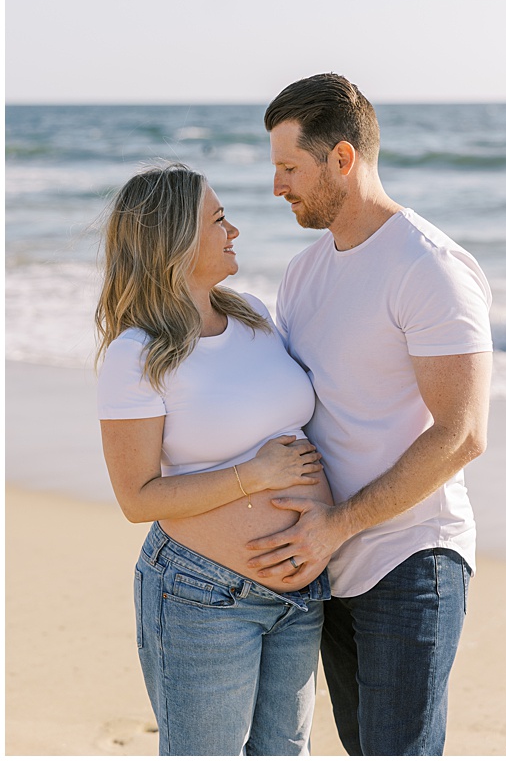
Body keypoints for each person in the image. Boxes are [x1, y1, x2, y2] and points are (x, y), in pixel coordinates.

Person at [244, 73, 493, 755]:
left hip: (411, 558)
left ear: (343, 159)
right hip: (329, 564)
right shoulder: (302, 273)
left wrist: (337, 527)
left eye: (289, 167)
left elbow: (463, 433)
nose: (277, 187)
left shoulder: (429, 266)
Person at [95, 163, 334, 755]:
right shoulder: (137, 354)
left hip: (302, 591)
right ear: (174, 240)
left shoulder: (253, 314)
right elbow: (137, 498)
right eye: (219, 220)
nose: (235, 231)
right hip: (203, 596)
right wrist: (253, 476)